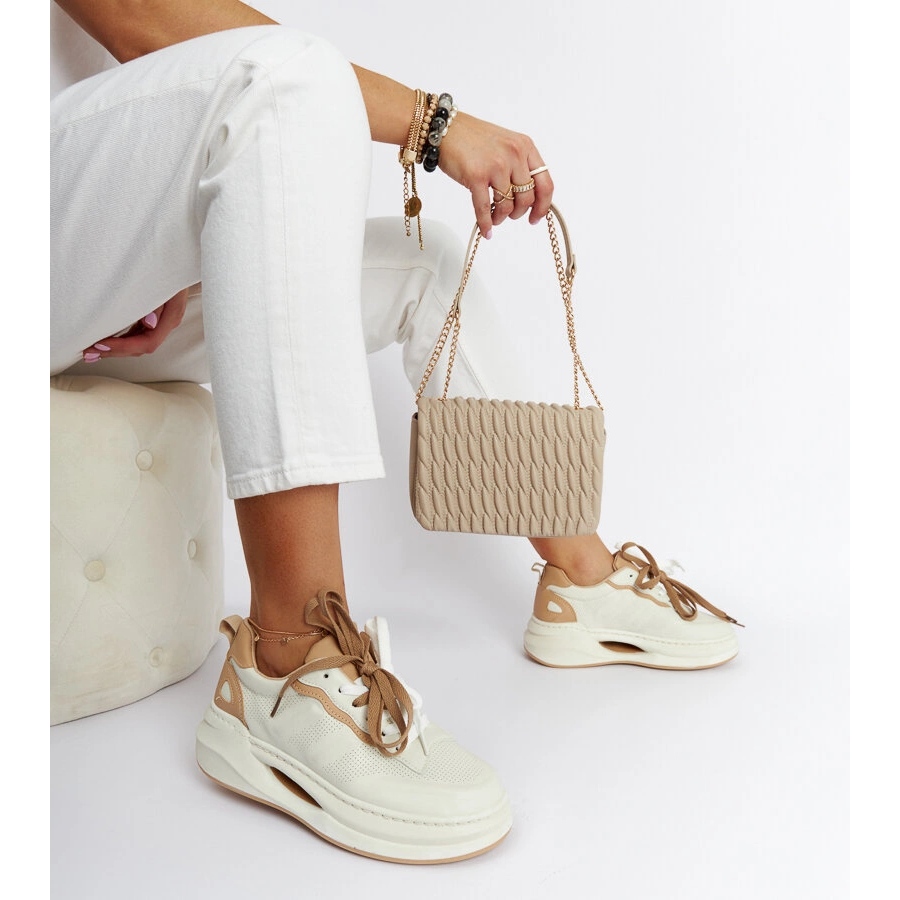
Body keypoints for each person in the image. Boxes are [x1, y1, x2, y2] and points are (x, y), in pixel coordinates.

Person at [50, 0, 742, 864]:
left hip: (74, 255)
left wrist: (154, 259)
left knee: (424, 263)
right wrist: (434, 125)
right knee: (287, 76)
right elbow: (141, 17)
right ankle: (288, 660)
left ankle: (583, 582)